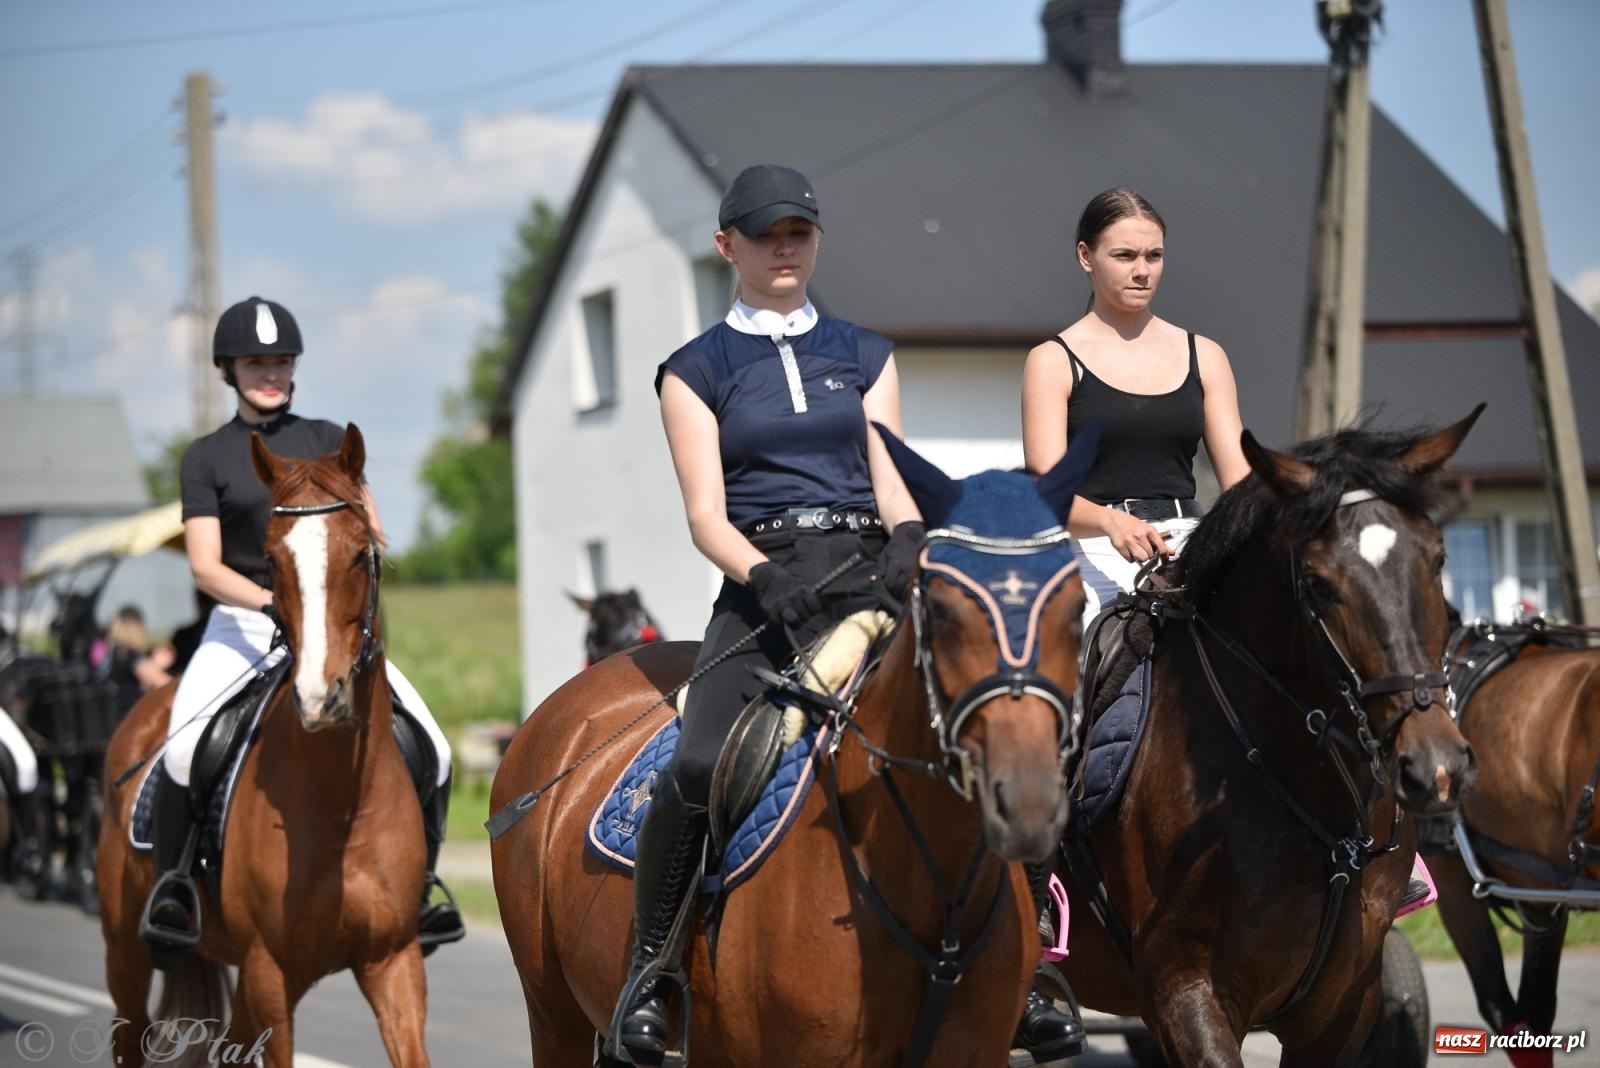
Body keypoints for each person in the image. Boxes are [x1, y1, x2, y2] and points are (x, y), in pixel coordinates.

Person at [613, 163, 939, 1057]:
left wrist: (909, 537)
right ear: (729, 246)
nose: (784, 246)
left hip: (870, 574)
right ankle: (652, 971)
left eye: (798, 230)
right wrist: (765, 577)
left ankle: (1024, 970)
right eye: (766, 234)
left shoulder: (866, 353)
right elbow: (705, 518)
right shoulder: (693, 370)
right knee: (700, 763)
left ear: (817, 238)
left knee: (989, 720)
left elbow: (893, 477)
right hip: (764, 586)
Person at [140, 296, 462, 963]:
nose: (271, 373)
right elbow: (204, 564)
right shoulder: (207, 457)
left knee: (432, 741)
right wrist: (273, 602)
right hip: (243, 625)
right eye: (257, 362)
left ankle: (421, 884)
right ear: (228, 368)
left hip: (334, 627)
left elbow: (370, 531)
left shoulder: (329, 440)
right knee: (182, 746)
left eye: (282, 361)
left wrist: (340, 586)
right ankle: (176, 888)